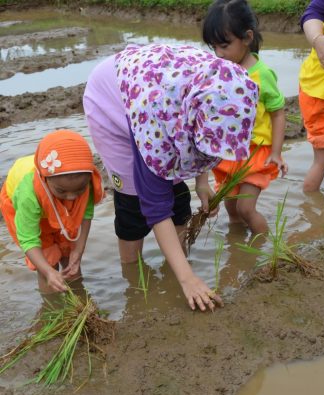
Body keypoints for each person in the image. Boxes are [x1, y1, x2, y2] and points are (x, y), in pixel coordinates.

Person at [83, 43, 258, 312]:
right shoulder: (154, 116)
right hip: (113, 98)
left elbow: (205, 137)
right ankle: (132, 274)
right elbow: (154, 206)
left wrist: (202, 183)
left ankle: (176, 261)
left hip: (163, 92)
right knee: (133, 201)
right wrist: (187, 280)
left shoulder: (228, 85)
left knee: (176, 190)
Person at [202, 0, 288, 234]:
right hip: (228, 154)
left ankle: (265, 249)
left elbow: (278, 113)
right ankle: (237, 252)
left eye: (224, 46)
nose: (219, 54)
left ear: (247, 38)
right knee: (231, 209)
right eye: (214, 47)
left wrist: (276, 152)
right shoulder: (221, 71)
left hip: (256, 152)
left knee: (246, 209)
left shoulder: (262, 75)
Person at [0, 130, 104, 294]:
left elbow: (86, 214)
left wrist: (78, 250)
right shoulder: (28, 195)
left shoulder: (85, 183)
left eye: (79, 190)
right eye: (62, 191)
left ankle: (79, 297)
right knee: (48, 261)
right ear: (44, 178)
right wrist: (49, 272)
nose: (71, 198)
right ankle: (52, 307)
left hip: (48, 198)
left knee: (69, 256)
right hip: (25, 206)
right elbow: (29, 239)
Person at [299, 0, 324, 192]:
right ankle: (311, 207)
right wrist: (318, 39)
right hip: (320, 95)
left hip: (320, 90)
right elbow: (314, 12)